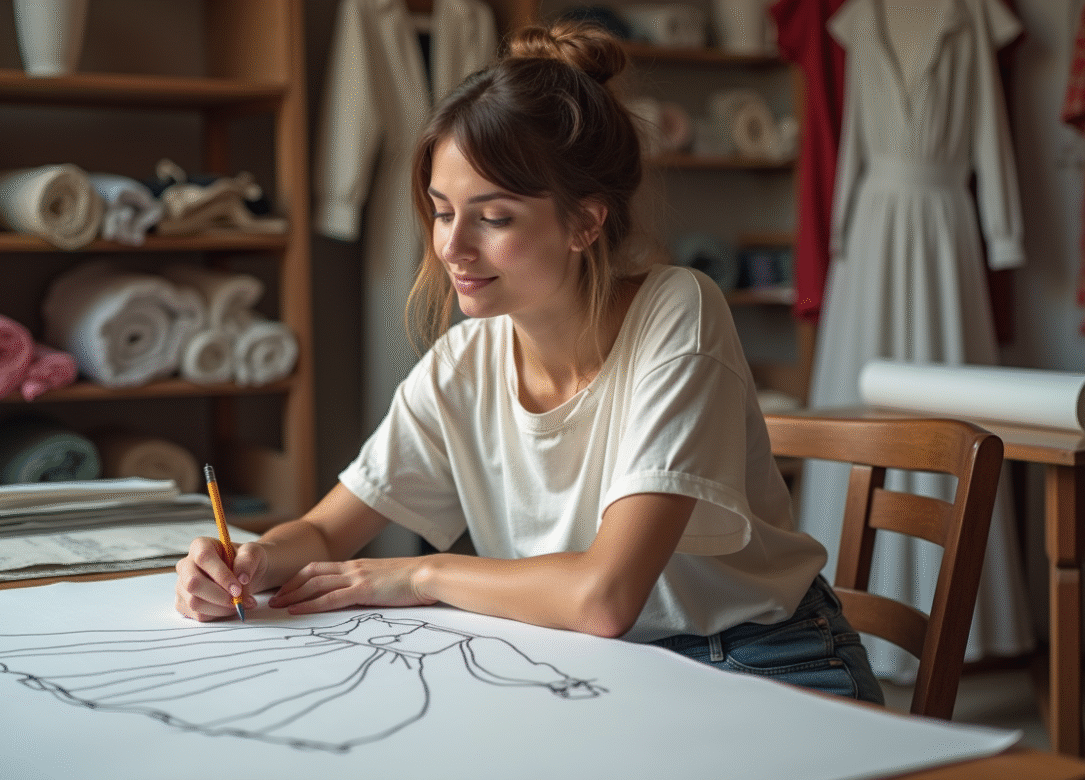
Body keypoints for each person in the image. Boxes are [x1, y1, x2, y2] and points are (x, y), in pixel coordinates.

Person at [175, 19, 883, 705]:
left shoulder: (677, 311)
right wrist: (254, 559)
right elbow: (328, 531)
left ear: (585, 221)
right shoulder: (464, 361)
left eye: (494, 217)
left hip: (761, 663)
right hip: (607, 669)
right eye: (442, 210)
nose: (452, 248)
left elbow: (604, 597)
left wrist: (421, 572)